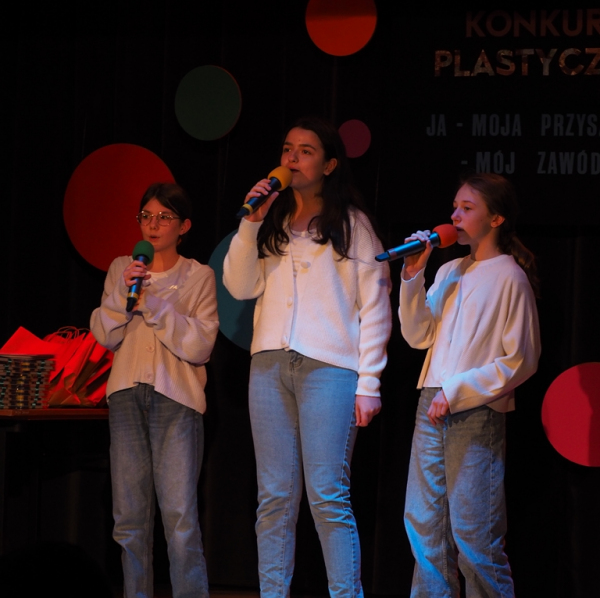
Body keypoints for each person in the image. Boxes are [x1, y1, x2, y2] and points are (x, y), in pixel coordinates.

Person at [223, 116, 392, 598]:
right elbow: (239, 286)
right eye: (287, 149)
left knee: (328, 496)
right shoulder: (270, 221)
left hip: (329, 371)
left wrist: (369, 383)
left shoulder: (353, 226)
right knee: (274, 498)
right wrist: (249, 223)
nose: (292, 158)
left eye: (305, 150)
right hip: (269, 366)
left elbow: (375, 307)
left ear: (329, 164)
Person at [398, 172, 541, 597]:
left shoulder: (509, 277)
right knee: (424, 526)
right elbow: (418, 336)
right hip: (431, 402)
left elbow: (521, 359)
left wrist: (456, 390)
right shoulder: (449, 270)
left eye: (467, 208)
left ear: (496, 219)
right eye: (454, 207)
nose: (454, 216)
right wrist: (412, 277)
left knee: (474, 535)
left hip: (474, 410)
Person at [90, 182, 219, 598]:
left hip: (176, 401)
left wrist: (152, 304)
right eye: (146, 216)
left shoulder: (199, 276)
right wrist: (123, 295)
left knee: (179, 519)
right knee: (129, 519)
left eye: (164, 217)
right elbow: (105, 335)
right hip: (127, 396)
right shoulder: (122, 268)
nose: (153, 224)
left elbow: (199, 347)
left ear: (184, 226)